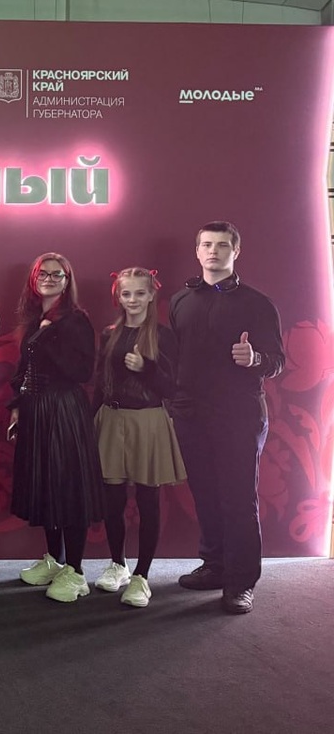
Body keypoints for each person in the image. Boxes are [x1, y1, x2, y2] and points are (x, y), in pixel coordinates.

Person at [170, 222, 284, 615]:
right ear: (197, 251)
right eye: (206, 244)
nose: (213, 251)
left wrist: (255, 359)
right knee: (205, 494)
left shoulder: (258, 303)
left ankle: (240, 583)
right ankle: (214, 566)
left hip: (238, 414)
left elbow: (277, 361)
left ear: (236, 252)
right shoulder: (180, 300)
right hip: (190, 414)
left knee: (238, 499)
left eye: (222, 245)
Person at [10, 252, 104, 603]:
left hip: (64, 408)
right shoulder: (37, 319)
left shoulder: (75, 320)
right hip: (36, 408)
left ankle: (75, 572)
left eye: (56, 274)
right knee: (46, 485)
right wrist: (16, 408)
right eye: (43, 274)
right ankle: (54, 559)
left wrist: (49, 338)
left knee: (68, 487)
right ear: (34, 279)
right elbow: (24, 369)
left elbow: (82, 372)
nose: (49, 279)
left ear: (67, 281)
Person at [92, 267, 186, 609]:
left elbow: (172, 388)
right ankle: (118, 564)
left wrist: (146, 368)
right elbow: (100, 383)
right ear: (118, 297)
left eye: (139, 293)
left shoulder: (163, 336)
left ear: (151, 296)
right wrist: (89, 421)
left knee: (148, 500)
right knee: (112, 500)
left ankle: (142, 576)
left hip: (148, 421)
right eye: (126, 293)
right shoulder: (109, 334)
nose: (132, 299)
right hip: (112, 418)